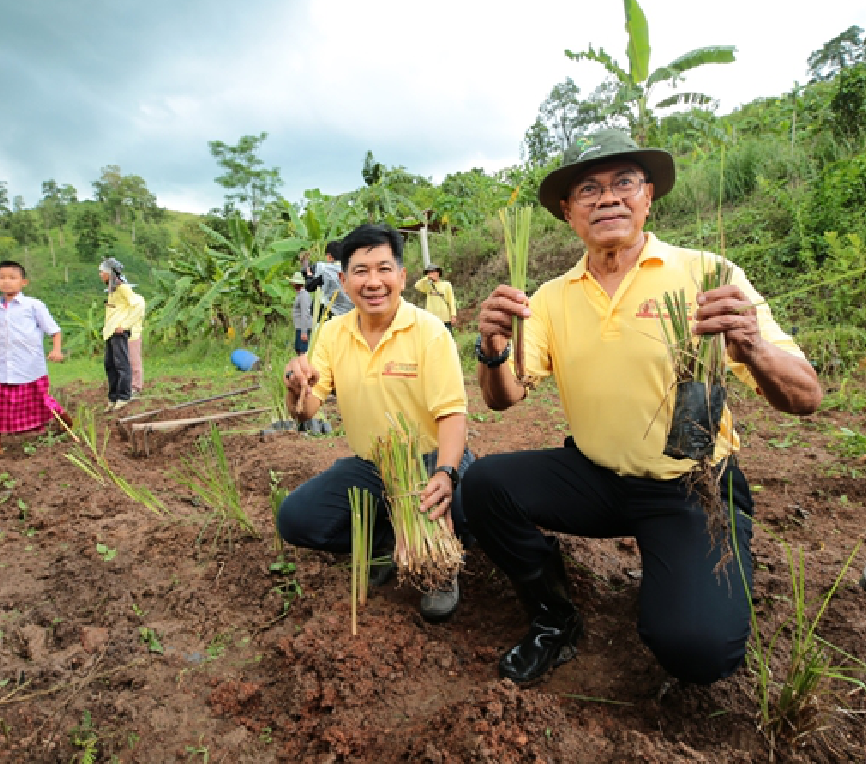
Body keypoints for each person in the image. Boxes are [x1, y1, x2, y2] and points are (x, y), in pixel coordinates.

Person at [462, 129, 823, 686]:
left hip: (689, 485)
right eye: (588, 189)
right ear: (567, 212)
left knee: (699, 651)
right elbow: (504, 399)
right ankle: (554, 617)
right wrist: (492, 352)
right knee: (484, 483)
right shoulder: (552, 297)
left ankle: (696, 561)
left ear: (648, 196)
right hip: (595, 476)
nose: (607, 198)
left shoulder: (708, 273)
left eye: (623, 182)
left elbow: (807, 396)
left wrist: (752, 346)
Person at [279, 224, 472, 622]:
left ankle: (438, 565)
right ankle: (387, 540)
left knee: (471, 506)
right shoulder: (332, 333)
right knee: (296, 518)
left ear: (402, 276)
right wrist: (295, 386)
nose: (373, 282)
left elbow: (452, 413)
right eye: (361, 271)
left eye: (383, 269)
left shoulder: (429, 332)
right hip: (373, 465)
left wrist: (446, 473)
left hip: (428, 460)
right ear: (344, 281)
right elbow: (306, 410)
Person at [0, 261, 68, 462]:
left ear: (23, 282)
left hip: (29, 366)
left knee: (41, 401)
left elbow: (54, 330)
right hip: (1, 367)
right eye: (2, 277)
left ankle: (66, 422)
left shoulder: (33, 305)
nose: (6, 282)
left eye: (12, 277)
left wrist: (56, 350)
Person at [99, 257, 143, 411]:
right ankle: (113, 398)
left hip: (119, 332)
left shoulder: (123, 288)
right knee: (110, 364)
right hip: (110, 332)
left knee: (121, 364)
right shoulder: (112, 289)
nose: (100, 274)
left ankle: (124, 396)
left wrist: (125, 325)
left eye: (102, 271)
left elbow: (137, 305)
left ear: (110, 272)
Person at [303, 240, 355, 318]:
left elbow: (310, 287)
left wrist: (309, 274)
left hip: (331, 312)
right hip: (351, 312)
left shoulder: (326, 270)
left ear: (329, 256)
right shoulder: (351, 269)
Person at [414, 263, 457, 331]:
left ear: (438, 273)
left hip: (445, 318)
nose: (432, 274)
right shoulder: (428, 286)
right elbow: (417, 286)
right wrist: (427, 278)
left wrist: (453, 315)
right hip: (431, 318)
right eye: (429, 272)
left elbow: (451, 300)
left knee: (447, 339)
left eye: (433, 271)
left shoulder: (446, 285)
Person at [128, 290, 147, 394]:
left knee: (134, 361)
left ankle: (136, 386)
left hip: (133, 335)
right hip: (121, 336)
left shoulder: (138, 300)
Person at [290, 271, 311, 354]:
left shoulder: (303, 295)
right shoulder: (299, 294)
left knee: (303, 352)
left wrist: (304, 332)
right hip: (299, 327)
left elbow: (305, 313)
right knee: (298, 350)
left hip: (303, 327)